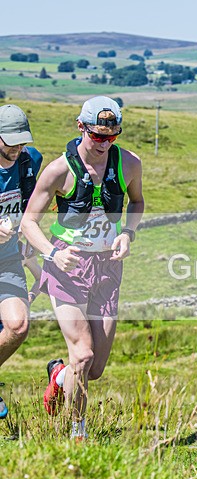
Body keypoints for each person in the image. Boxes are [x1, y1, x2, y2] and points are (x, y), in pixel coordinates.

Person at [21, 96, 145, 440]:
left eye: (112, 137)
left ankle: (59, 376)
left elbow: (137, 202)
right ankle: (78, 433)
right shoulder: (59, 170)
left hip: (107, 268)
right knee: (84, 354)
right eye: (98, 136)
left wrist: (128, 234)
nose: (105, 144)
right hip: (67, 267)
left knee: (95, 368)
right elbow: (29, 222)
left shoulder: (130, 164)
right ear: (81, 127)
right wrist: (51, 254)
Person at [0, 104, 43, 418]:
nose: (16, 148)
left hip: (9, 259)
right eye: (9, 141)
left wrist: (34, 259)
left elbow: (29, 209)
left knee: (18, 325)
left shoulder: (30, 161)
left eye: (21, 140)